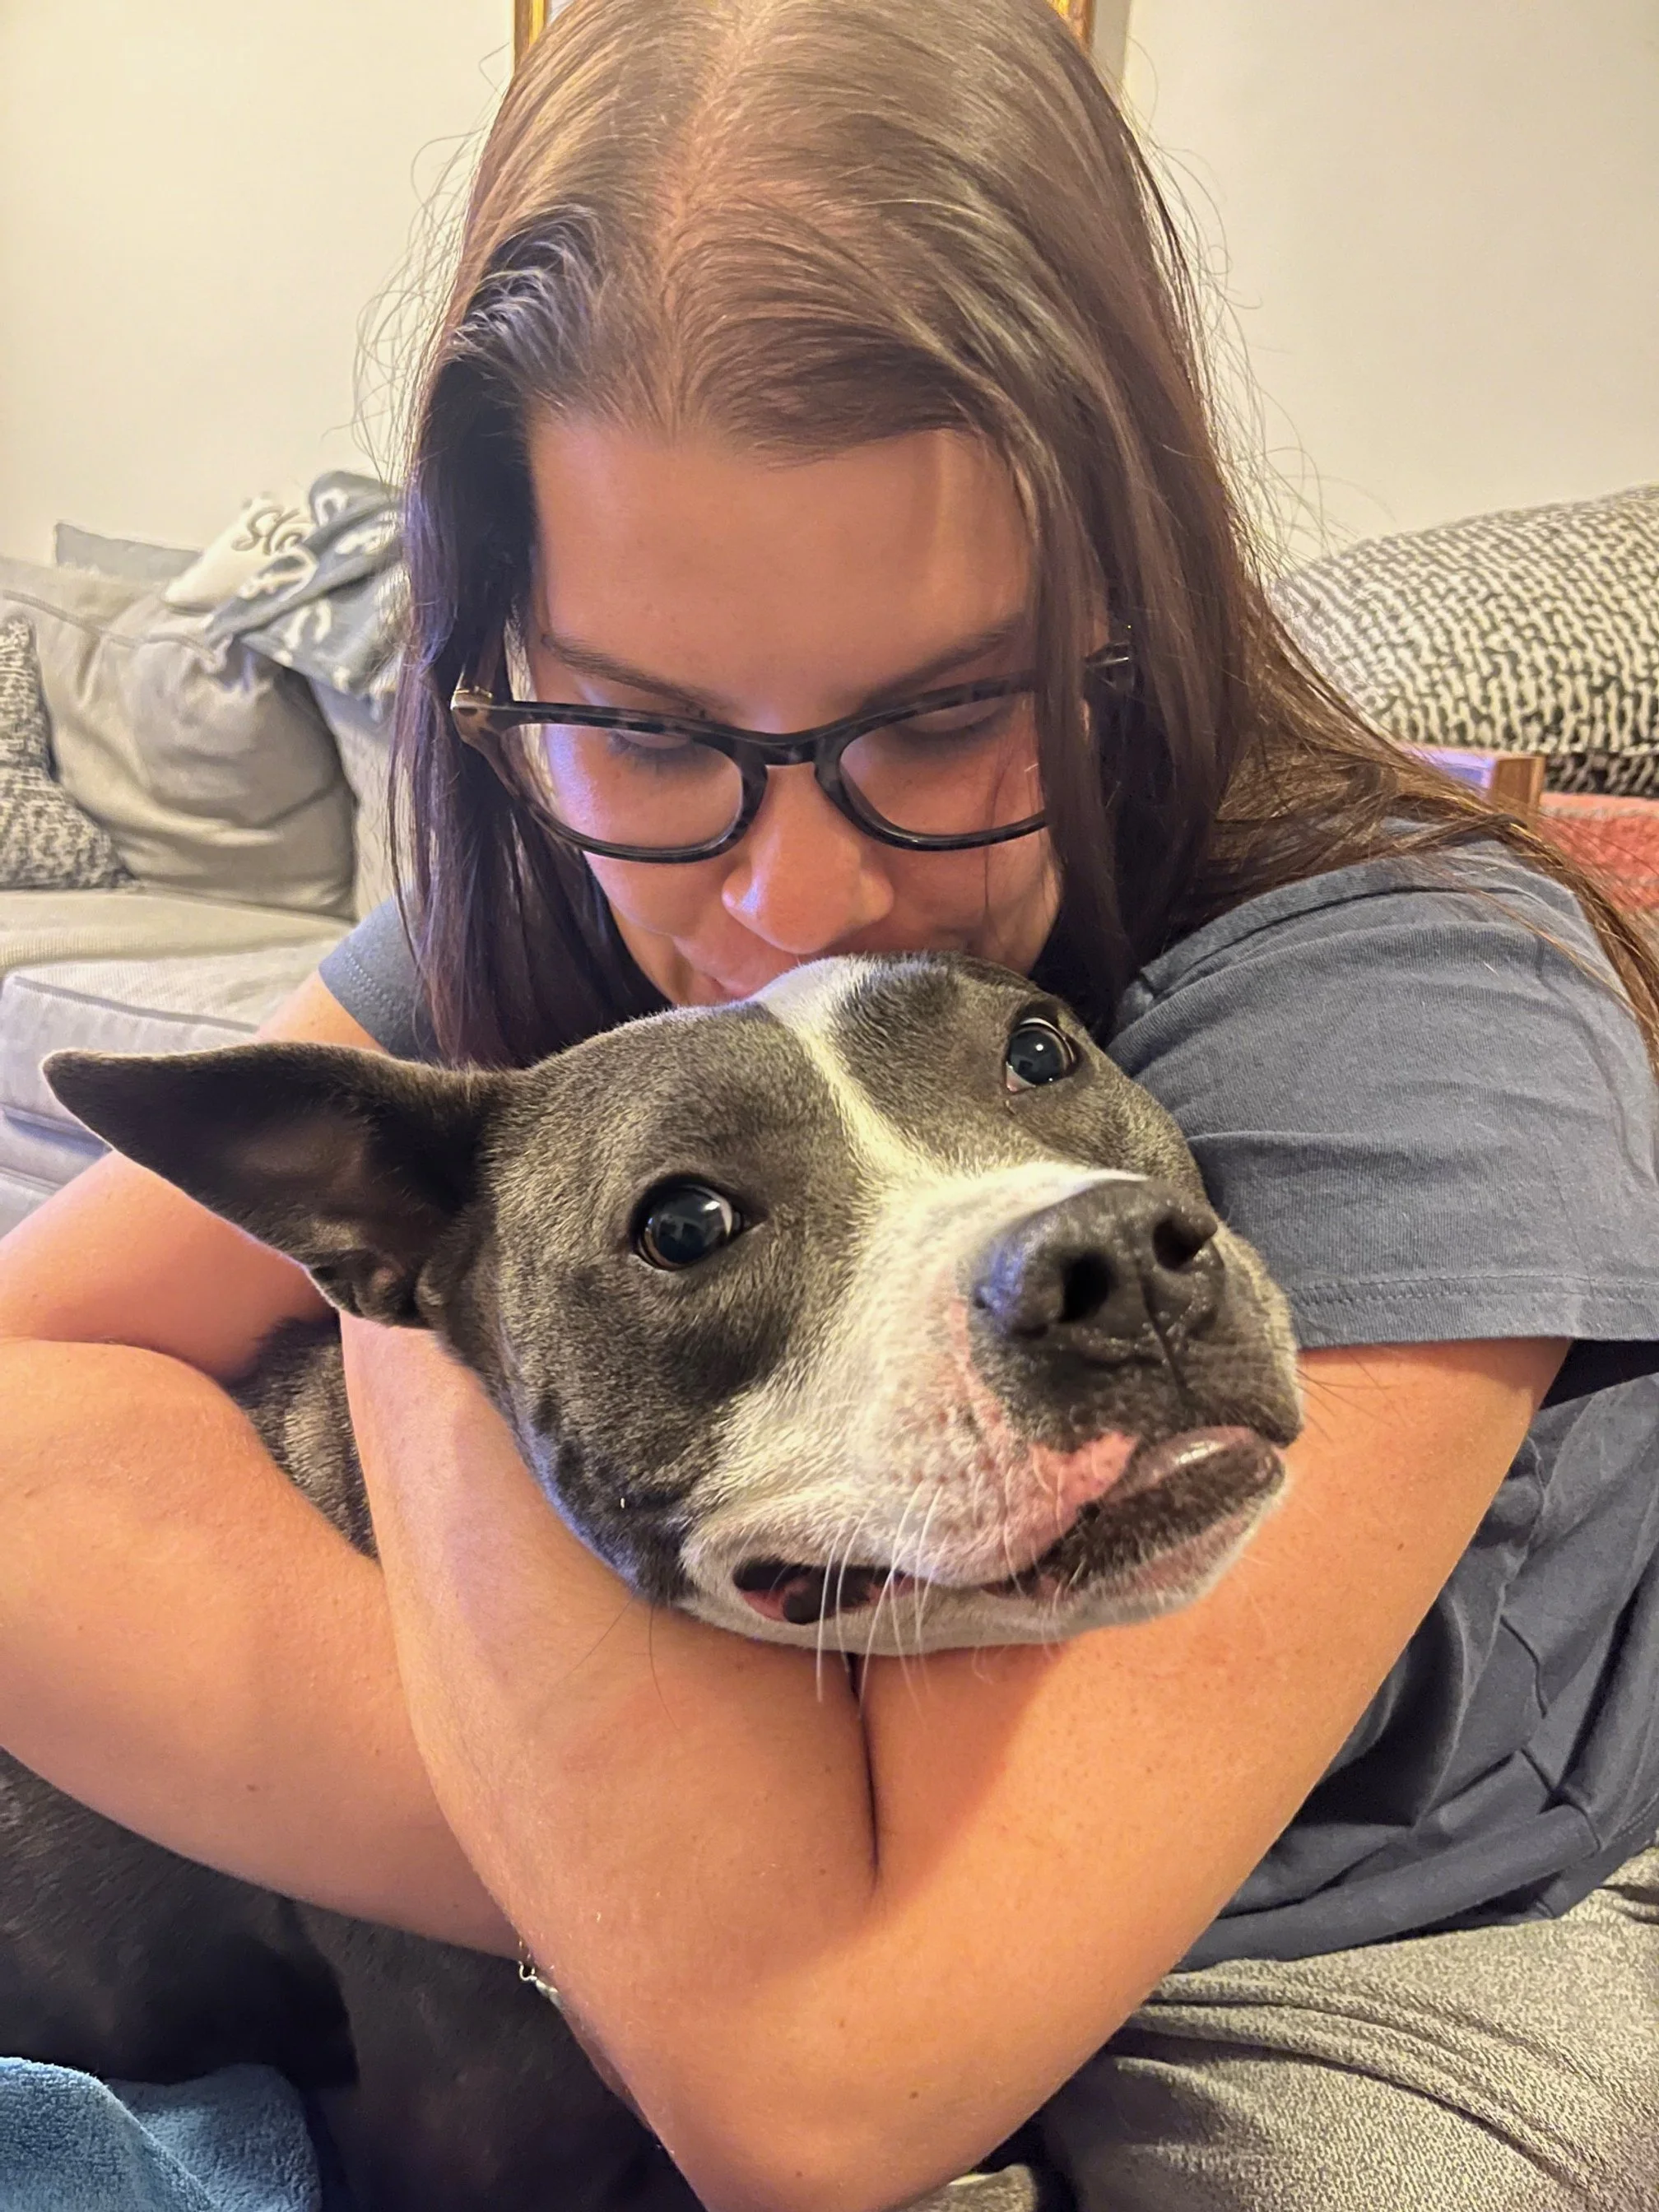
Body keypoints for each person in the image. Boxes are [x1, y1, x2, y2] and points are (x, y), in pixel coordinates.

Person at [2, 2, 1657, 2206]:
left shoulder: (1413, 1001)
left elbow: (826, 2078)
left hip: (1359, 1906)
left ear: (1131, 595)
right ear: (500, 684)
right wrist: (468, 1286)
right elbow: (30, 1390)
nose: (801, 895)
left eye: (953, 710)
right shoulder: (563, 892)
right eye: (653, 729)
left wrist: (463, 1350)